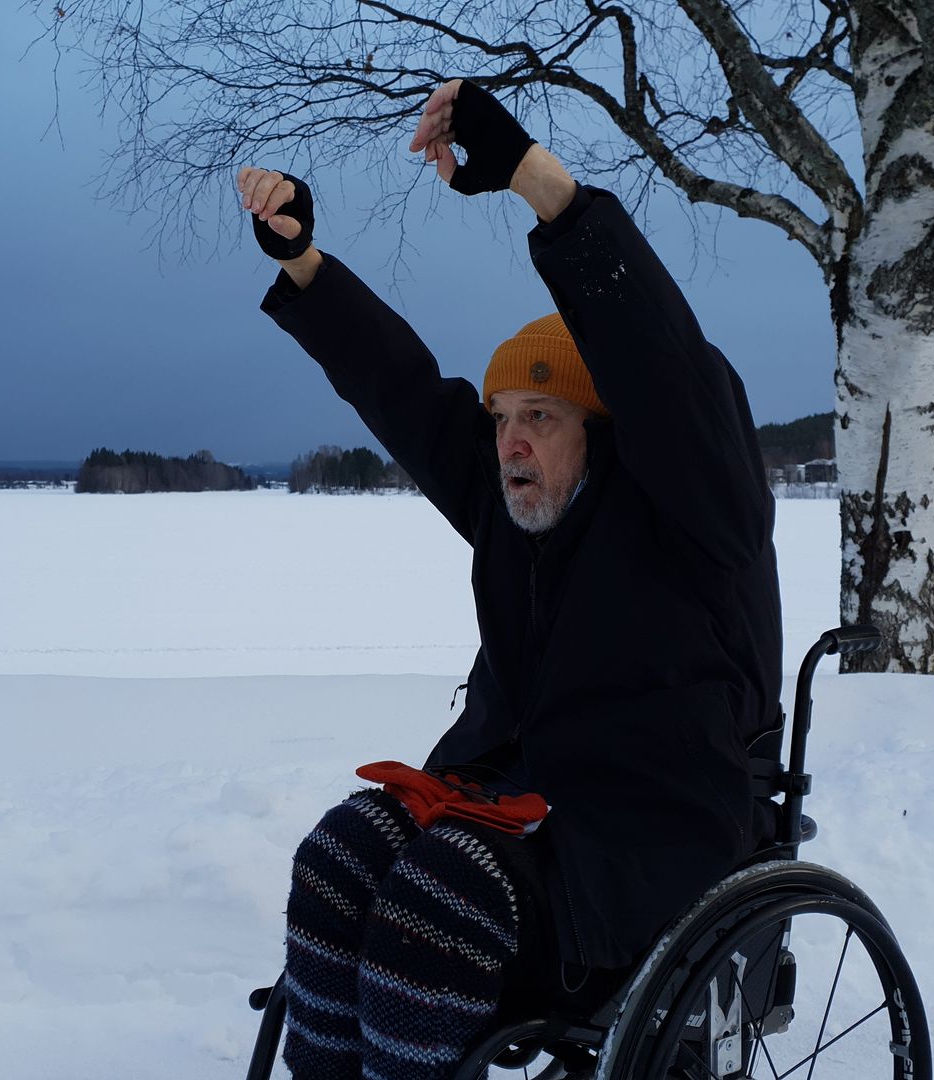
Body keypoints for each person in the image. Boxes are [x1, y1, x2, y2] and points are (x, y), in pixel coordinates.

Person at [241, 79, 783, 1080]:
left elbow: (664, 369)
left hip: (651, 830)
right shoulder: (514, 506)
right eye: (501, 420)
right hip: (514, 802)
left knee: (436, 901)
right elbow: (403, 390)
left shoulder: (698, 512)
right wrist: (304, 265)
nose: (510, 442)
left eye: (540, 416)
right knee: (338, 859)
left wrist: (543, 186)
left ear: (602, 431)